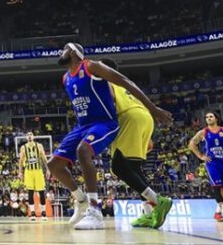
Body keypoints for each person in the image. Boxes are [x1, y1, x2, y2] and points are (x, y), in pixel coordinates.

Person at [47, 43, 173, 230]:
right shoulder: (65, 78)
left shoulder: (91, 66)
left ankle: (95, 210)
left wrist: (153, 108)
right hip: (83, 125)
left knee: (88, 153)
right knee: (53, 165)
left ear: (74, 53)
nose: (60, 52)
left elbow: (124, 80)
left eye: (64, 49)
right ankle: (81, 200)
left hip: (105, 123)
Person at [100, 58, 173, 229]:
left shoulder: (105, 82)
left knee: (117, 166)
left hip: (128, 117)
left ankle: (157, 201)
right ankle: (147, 213)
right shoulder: (125, 85)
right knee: (134, 169)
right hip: (145, 118)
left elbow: (108, 104)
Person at [189, 112, 223, 222]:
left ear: (216, 118)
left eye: (211, 116)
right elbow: (192, 144)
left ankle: (217, 213)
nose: (208, 118)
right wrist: (201, 156)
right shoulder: (203, 132)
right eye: (206, 117)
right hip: (211, 163)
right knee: (216, 186)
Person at [18, 132, 49, 221]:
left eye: (31, 134)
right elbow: (20, 161)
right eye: (27, 135)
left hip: (38, 170)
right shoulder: (23, 148)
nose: (29, 136)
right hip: (28, 171)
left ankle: (43, 213)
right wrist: (20, 172)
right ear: (26, 137)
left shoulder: (39, 146)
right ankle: (32, 213)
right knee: (30, 192)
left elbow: (44, 158)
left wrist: (48, 169)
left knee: (41, 192)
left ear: (33, 136)